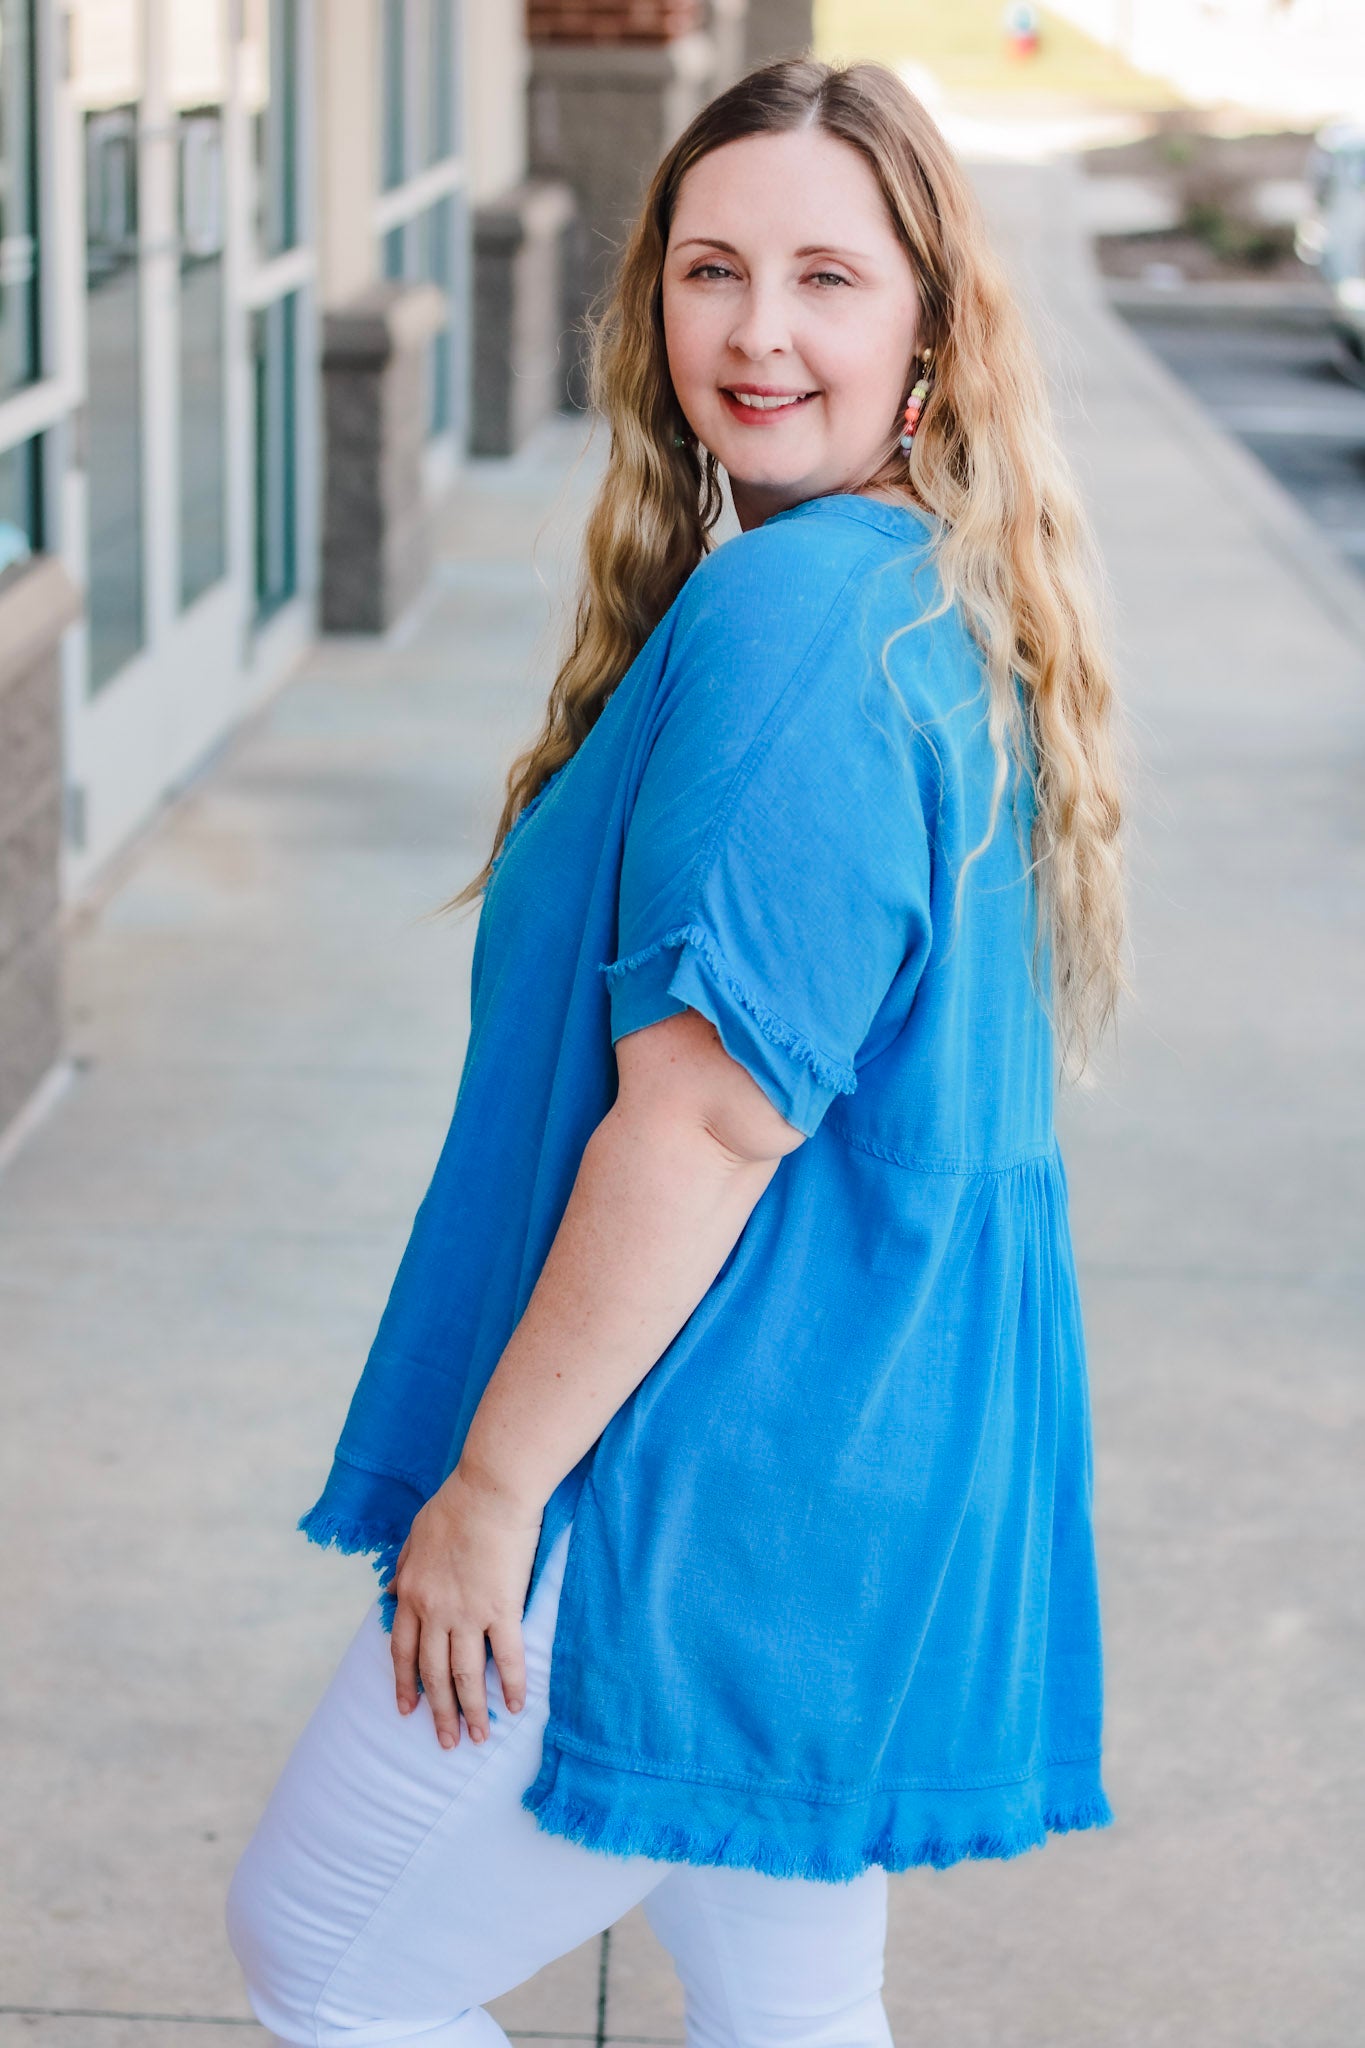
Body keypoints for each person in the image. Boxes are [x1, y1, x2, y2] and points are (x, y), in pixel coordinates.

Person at [226, 54, 1126, 2048]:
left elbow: (709, 1123)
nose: (756, 331)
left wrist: (491, 1487)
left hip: (698, 1480)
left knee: (325, 1957)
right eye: (711, 269)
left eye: (826, 276)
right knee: (785, 2008)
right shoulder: (903, 585)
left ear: (928, 325)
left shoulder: (800, 623)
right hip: (832, 1479)